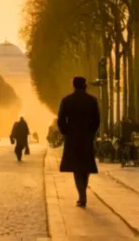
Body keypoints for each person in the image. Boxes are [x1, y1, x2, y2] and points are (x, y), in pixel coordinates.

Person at [57, 76, 100, 208]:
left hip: (73, 137)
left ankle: (82, 194)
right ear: (85, 85)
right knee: (86, 167)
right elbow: (97, 120)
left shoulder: (67, 100)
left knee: (76, 168)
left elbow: (61, 119)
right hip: (86, 137)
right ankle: (83, 191)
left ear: (73, 85)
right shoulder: (92, 100)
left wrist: (66, 132)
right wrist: (91, 132)